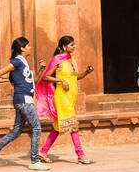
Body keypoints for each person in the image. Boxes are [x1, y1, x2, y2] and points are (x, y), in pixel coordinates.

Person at [0, 37, 47, 170]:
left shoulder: (22, 62)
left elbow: (33, 80)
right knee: (36, 128)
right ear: (22, 48)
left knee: (16, 131)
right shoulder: (17, 61)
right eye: (28, 46)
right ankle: (34, 161)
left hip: (23, 100)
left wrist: (41, 69)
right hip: (24, 100)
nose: (30, 48)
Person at [37, 36, 96, 164]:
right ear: (63, 47)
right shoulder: (57, 60)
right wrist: (60, 80)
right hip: (61, 97)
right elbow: (46, 77)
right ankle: (80, 155)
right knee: (73, 125)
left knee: (58, 127)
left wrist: (86, 72)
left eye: (74, 44)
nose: (74, 47)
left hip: (70, 97)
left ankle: (43, 151)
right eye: (71, 45)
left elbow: (75, 77)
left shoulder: (71, 59)